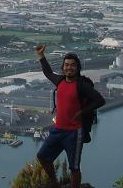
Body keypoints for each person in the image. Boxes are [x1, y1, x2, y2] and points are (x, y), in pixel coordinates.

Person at [34, 43, 106, 188]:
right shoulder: (60, 81)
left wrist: (81, 112)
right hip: (58, 129)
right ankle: (54, 182)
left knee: (74, 167)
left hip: (74, 132)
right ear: (63, 67)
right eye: (66, 65)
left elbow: (100, 100)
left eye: (73, 65)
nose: (69, 68)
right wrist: (41, 56)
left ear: (77, 68)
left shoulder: (81, 85)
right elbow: (48, 73)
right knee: (42, 156)